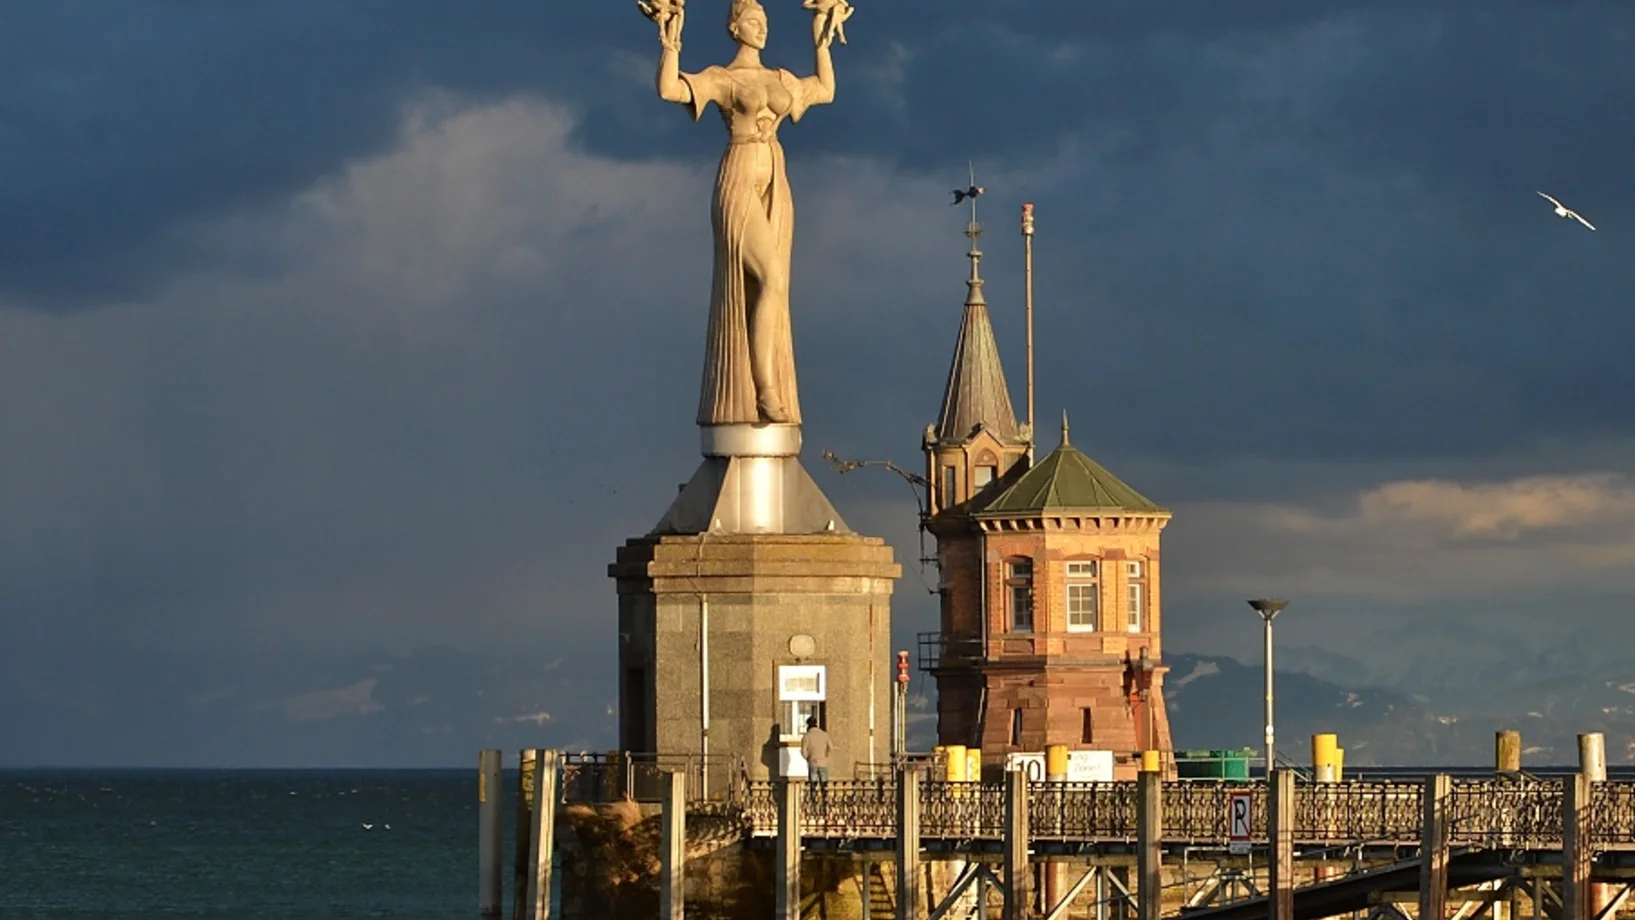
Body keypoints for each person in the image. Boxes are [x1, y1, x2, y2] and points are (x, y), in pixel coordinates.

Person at [642, 0, 846, 426]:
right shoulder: (724, 77)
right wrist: (670, 40)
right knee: (769, 278)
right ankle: (765, 391)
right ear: (735, 28)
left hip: (776, 182)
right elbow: (670, 89)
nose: (761, 28)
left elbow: (825, 90)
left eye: (765, 22)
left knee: (774, 287)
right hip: (738, 178)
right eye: (753, 22)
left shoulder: (781, 78)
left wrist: (820, 40)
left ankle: (766, 383)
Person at [800, 716, 831, 782]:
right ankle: (824, 791)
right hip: (823, 762)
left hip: (812, 761)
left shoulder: (807, 736)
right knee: (824, 783)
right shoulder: (824, 735)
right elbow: (830, 747)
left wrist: (808, 758)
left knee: (813, 784)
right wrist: (826, 756)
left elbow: (803, 750)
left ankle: (813, 791)